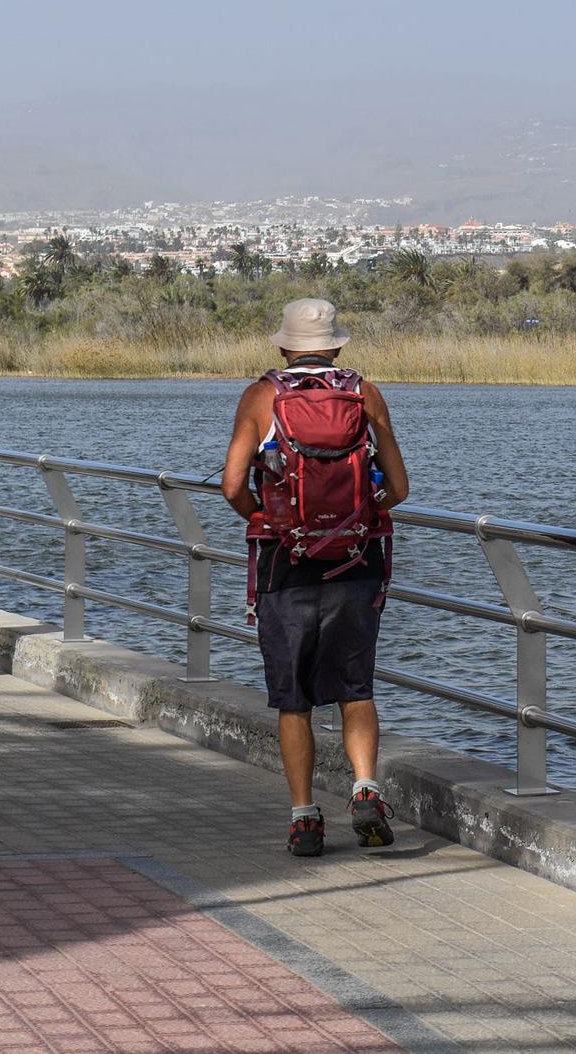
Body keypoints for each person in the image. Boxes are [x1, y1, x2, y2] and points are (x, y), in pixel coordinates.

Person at [224, 298, 410, 857]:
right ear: (336, 346)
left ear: (284, 346)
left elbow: (233, 484)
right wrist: (357, 514)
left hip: (287, 564)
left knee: (294, 699)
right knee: (356, 688)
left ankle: (305, 819)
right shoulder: (364, 393)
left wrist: (269, 519)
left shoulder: (262, 396)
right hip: (357, 563)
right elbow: (398, 488)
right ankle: (364, 786)